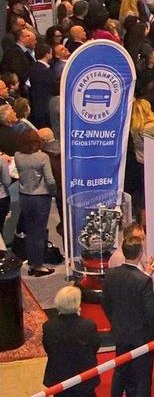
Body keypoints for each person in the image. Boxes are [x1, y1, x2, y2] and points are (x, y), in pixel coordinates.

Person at [102, 237, 154, 397]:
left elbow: (105, 304)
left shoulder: (110, 274)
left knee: (120, 370)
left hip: (120, 332)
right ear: (140, 253)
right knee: (142, 376)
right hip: (141, 336)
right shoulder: (143, 280)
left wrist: (115, 321)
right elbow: (150, 312)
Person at [43, 286, 101, 397]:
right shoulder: (88, 326)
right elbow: (95, 347)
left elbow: (48, 349)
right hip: (85, 379)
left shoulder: (48, 327)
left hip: (59, 379)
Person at [16, 129, 57, 276]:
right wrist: (53, 191)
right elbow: (50, 180)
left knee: (29, 230)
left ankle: (32, 262)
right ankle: (39, 265)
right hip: (40, 197)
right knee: (39, 232)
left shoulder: (18, 156)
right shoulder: (42, 157)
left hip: (24, 196)